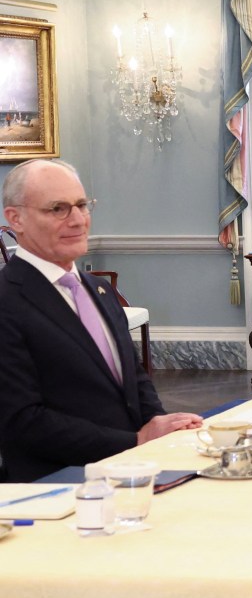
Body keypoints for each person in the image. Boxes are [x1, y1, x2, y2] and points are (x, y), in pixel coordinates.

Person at [0, 158, 202, 482]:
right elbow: (22, 420)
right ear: (16, 219)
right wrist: (134, 441)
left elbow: (133, 376)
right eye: (58, 209)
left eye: (82, 205)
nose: (77, 220)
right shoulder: (7, 299)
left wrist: (157, 424)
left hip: (132, 474)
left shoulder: (99, 289)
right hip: (56, 486)